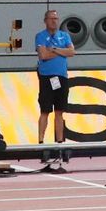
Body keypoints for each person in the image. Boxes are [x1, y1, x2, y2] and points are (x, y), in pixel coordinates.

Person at [35, 10, 75, 144]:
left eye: (56, 18)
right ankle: (41, 140)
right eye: (51, 18)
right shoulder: (40, 36)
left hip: (61, 76)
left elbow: (72, 52)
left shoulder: (64, 36)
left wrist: (54, 49)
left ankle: (59, 141)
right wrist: (62, 52)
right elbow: (43, 55)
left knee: (59, 111)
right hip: (47, 76)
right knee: (45, 110)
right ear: (45, 20)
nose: (54, 21)